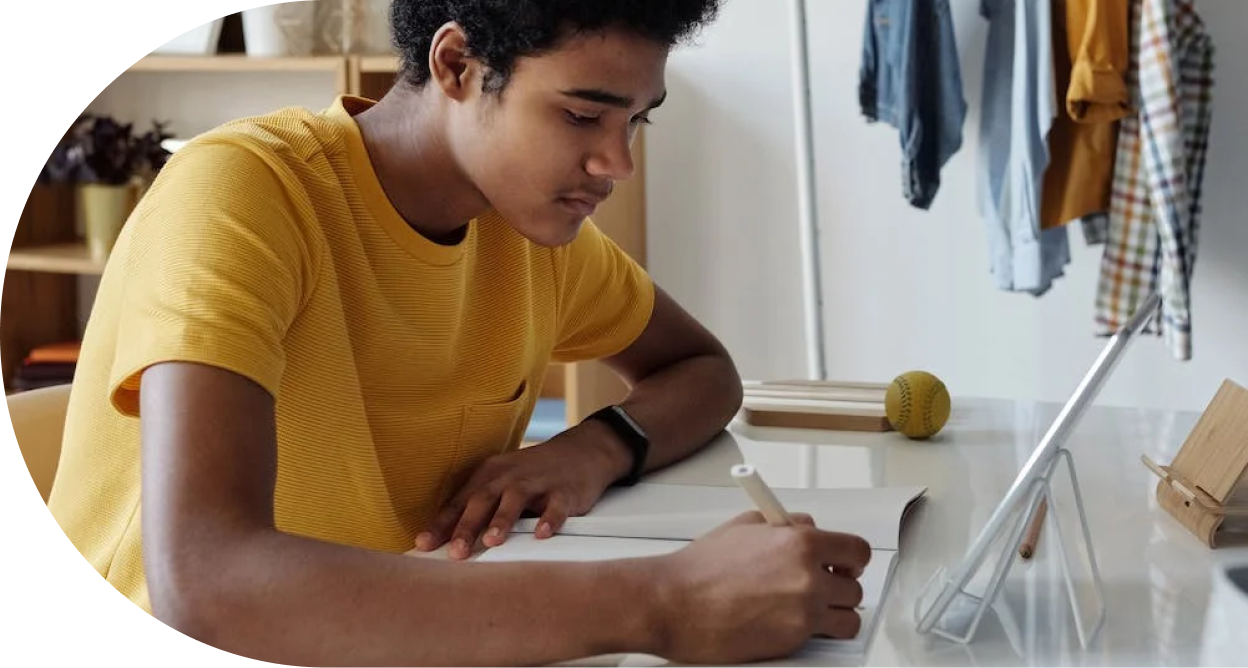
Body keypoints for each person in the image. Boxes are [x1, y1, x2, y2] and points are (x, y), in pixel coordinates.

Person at [45, 1, 872, 666]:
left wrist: (594, 448)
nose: (617, 163)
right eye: (585, 114)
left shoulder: (531, 238)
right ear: (457, 65)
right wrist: (663, 603)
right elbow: (209, 589)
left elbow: (702, 369)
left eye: (638, 121)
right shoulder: (245, 195)